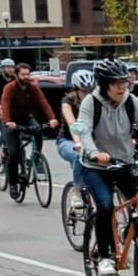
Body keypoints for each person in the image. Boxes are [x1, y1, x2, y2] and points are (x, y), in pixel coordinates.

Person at [77, 59, 138, 276]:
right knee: (104, 205)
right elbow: (83, 131)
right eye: (116, 83)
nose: (122, 86)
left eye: (124, 82)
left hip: (124, 163)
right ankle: (104, 257)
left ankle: (133, 234)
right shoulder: (91, 103)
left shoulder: (131, 101)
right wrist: (94, 153)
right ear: (104, 84)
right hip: (96, 166)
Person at [0, 62, 59, 200]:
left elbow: (44, 103)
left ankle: (36, 158)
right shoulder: (10, 88)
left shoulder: (33, 88)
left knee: (38, 130)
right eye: (23, 74)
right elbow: (5, 105)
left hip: (26, 118)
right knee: (14, 153)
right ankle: (13, 184)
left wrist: (52, 119)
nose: (26, 77)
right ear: (17, 75)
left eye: (28, 74)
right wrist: (7, 122)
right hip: (11, 122)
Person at [57, 69, 94, 207]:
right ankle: (77, 192)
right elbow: (72, 124)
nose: (87, 94)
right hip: (67, 141)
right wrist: (78, 142)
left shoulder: (95, 101)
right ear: (76, 90)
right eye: (84, 91)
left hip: (89, 141)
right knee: (80, 156)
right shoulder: (67, 102)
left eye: (90, 91)